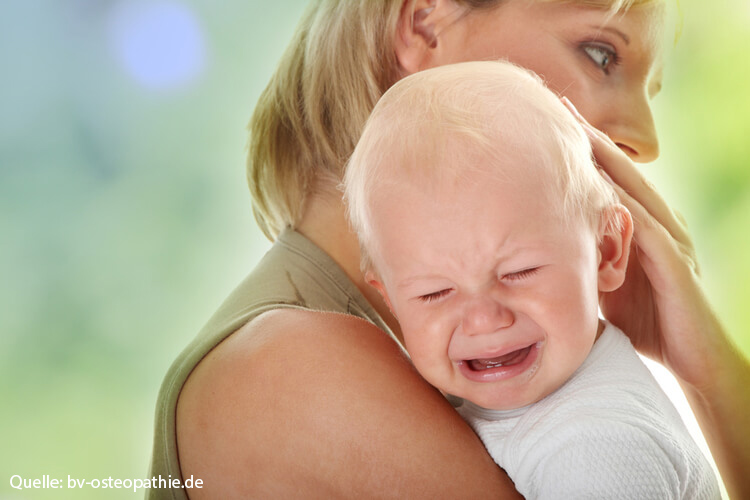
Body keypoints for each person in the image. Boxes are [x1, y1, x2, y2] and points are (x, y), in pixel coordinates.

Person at [148, 0, 750, 498]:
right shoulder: (291, 369)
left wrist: (700, 367)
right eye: (600, 54)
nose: (644, 140)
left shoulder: (482, 365)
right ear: (425, 22)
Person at [343, 59, 720, 499]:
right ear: (389, 300)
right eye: (435, 293)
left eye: (519, 272)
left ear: (607, 251)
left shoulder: (593, 450)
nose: (484, 319)